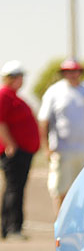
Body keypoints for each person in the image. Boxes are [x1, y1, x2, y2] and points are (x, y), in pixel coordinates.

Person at [38, 58, 84, 212]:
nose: (72, 74)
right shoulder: (54, 91)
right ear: (63, 73)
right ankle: (61, 220)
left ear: (80, 72)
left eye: (75, 71)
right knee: (61, 189)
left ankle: (83, 220)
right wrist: (46, 147)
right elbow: (44, 121)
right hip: (63, 149)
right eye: (68, 71)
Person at [0, 61, 40, 240]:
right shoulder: (4, 95)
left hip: (23, 151)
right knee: (14, 189)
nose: (21, 80)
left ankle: (11, 227)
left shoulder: (15, 97)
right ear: (10, 78)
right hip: (14, 152)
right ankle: (12, 228)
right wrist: (10, 144)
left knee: (16, 188)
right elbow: (0, 122)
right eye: (18, 77)